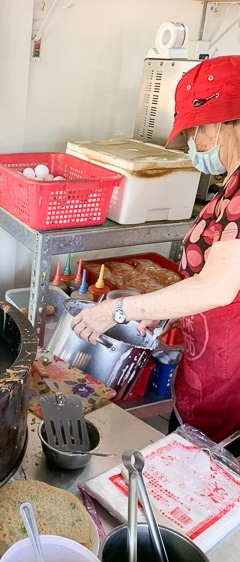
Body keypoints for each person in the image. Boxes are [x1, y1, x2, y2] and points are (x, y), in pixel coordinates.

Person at [70, 55, 240, 446]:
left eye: (192, 133)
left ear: (218, 122)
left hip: (230, 392)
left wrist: (116, 309)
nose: (192, 146)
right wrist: (165, 314)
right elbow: (206, 285)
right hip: (206, 376)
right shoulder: (228, 184)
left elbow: (217, 288)